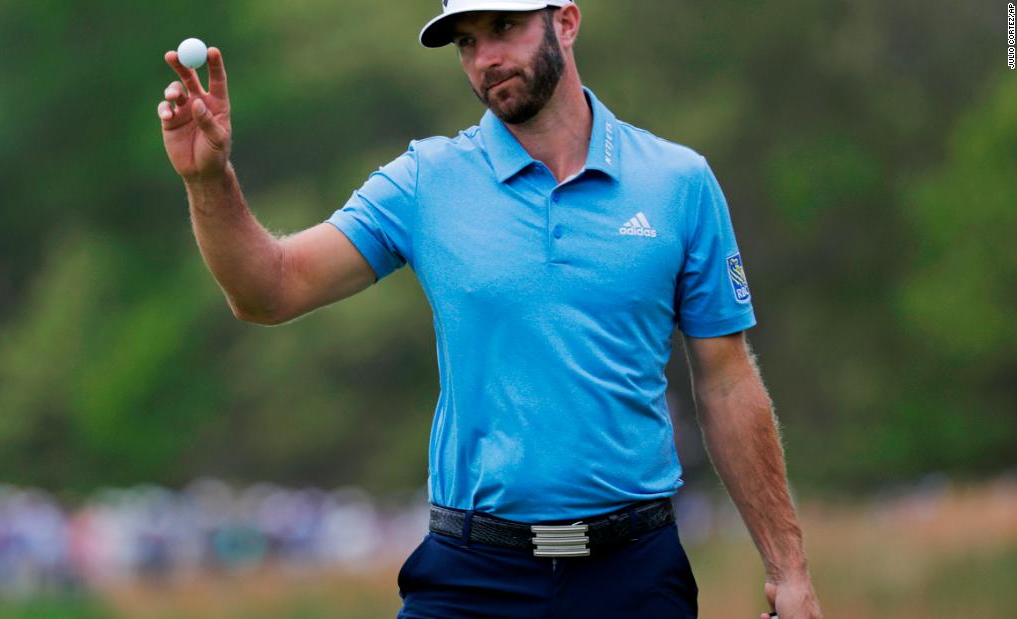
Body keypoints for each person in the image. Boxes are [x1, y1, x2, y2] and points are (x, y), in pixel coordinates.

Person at [156, 1, 823, 617]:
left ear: (565, 21)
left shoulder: (678, 182)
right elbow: (268, 290)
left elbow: (727, 380)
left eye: (504, 29)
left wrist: (787, 568)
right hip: (473, 574)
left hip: (633, 573)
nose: (485, 59)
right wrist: (209, 179)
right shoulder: (426, 180)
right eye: (467, 43)